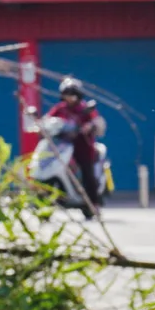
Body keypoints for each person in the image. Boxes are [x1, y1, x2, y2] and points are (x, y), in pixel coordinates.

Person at [47, 77, 106, 213]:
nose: (69, 98)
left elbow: (97, 123)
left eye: (71, 94)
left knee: (87, 173)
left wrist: (89, 126)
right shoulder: (60, 109)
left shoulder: (85, 109)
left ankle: (93, 203)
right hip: (63, 147)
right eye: (66, 95)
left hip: (83, 147)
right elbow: (48, 120)